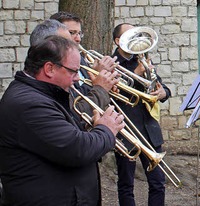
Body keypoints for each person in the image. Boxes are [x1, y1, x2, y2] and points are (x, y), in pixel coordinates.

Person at [0, 35, 124, 205]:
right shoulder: (30, 104)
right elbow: (77, 149)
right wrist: (106, 129)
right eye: (73, 71)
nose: (78, 78)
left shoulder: (44, 94)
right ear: (49, 68)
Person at [112, 23, 171, 206]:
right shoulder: (111, 63)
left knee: (158, 182)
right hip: (126, 128)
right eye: (129, 35)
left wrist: (163, 93)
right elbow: (113, 95)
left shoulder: (143, 59)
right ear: (117, 40)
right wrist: (133, 73)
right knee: (126, 184)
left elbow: (162, 87)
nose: (134, 38)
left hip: (149, 128)